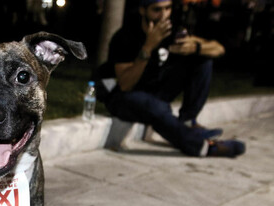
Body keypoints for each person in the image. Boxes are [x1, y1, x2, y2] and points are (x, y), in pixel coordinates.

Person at [97, 0, 246, 158]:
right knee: (153, 106)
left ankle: (188, 121)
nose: (164, 15)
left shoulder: (173, 31)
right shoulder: (126, 36)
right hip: (125, 97)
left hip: (156, 91)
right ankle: (205, 147)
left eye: (168, 9)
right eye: (157, 10)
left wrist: (195, 48)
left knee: (202, 59)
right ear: (143, 10)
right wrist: (148, 46)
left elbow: (218, 48)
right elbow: (125, 85)